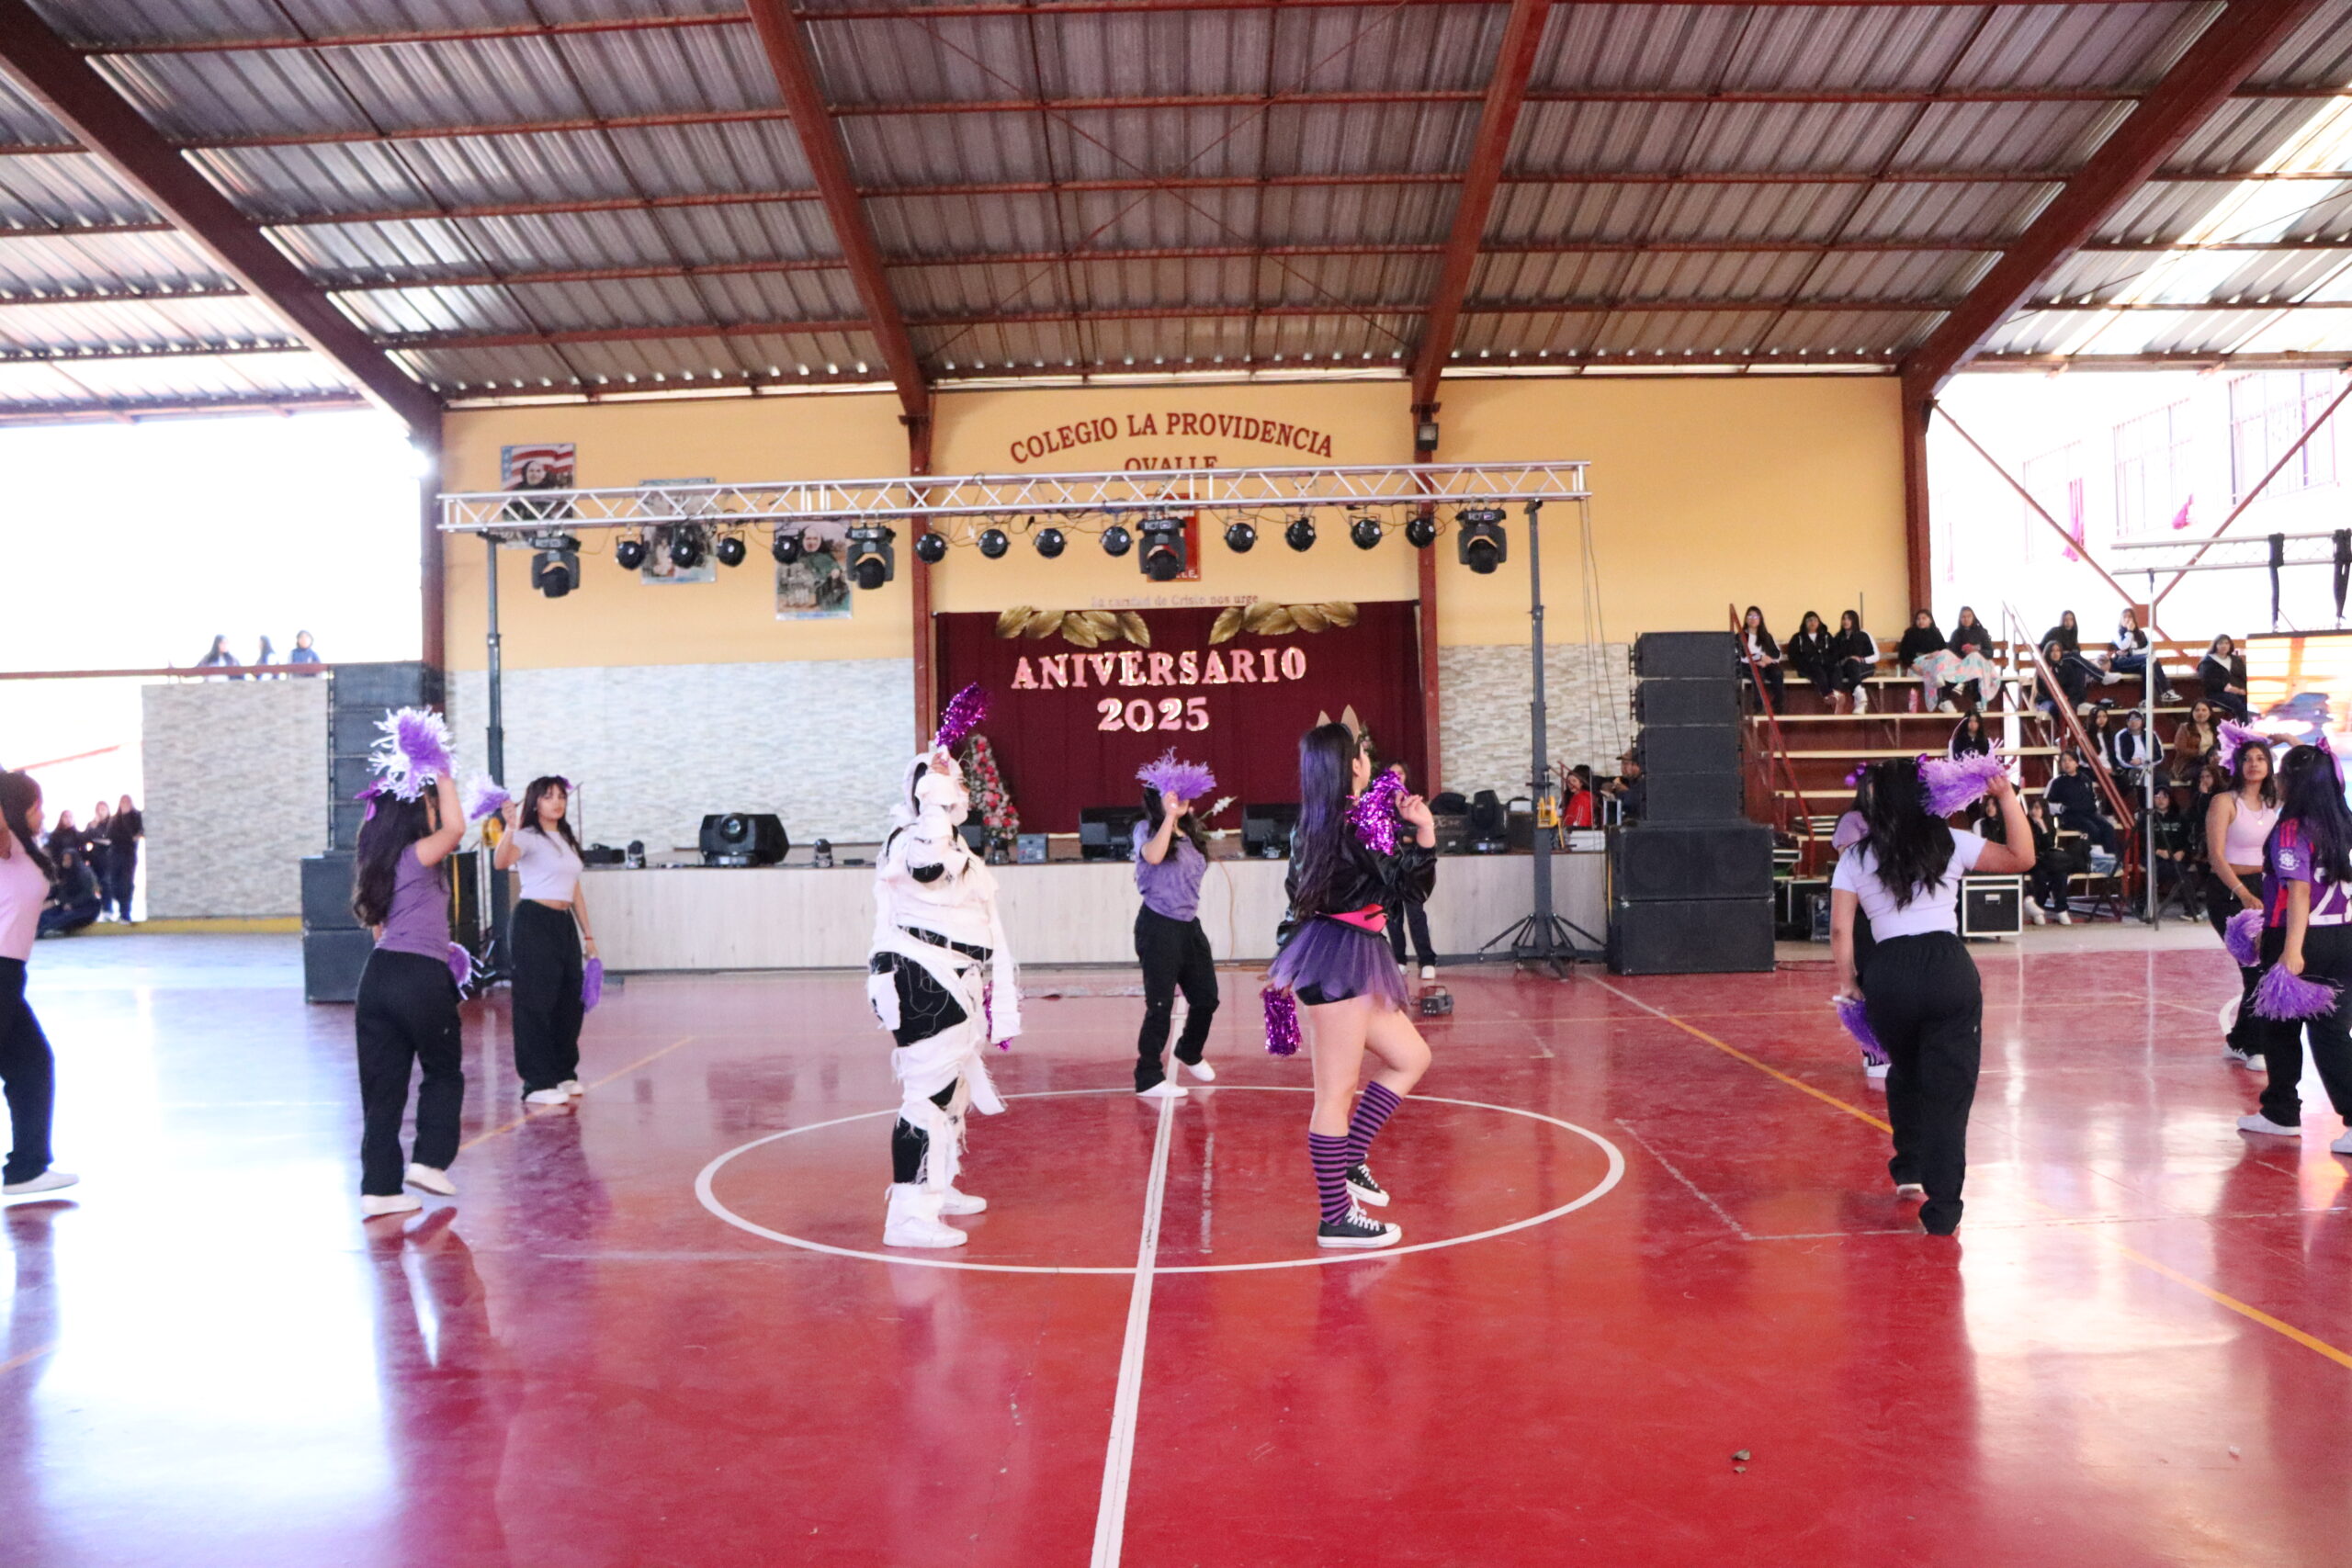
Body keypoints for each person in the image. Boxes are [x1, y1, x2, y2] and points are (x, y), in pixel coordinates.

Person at [1831, 759, 2033, 1235]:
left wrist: (1849, 982)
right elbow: (2022, 858)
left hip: (1888, 971)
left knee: (1904, 1067)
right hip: (1947, 967)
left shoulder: (1855, 856)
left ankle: (1909, 1168)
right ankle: (1943, 1209)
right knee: (1949, 1090)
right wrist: (2006, 798)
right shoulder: (1951, 841)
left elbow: (1841, 929)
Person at [1268, 726, 1438, 1249]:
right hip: (1340, 959)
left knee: (1411, 1057)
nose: (1368, 760)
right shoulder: (1357, 823)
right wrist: (1425, 831)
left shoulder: (1317, 822)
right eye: (1361, 753)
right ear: (1350, 766)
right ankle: (1336, 1218)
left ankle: (1350, 1158)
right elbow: (1410, 888)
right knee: (1334, 1094)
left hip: (1343, 953)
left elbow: (1301, 892)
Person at [867, 747, 1021, 1249]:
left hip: (951, 976)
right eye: (957, 782)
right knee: (927, 1095)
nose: (965, 791)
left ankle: (937, 1185)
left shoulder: (946, 838)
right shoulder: (915, 837)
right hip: (922, 976)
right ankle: (909, 1215)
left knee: (952, 1092)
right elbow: (927, 871)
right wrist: (933, 802)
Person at [351, 769, 468, 1219]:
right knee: (443, 1071)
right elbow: (456, 829)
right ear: (417, 811)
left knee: (382, 1089)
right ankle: (429, 1161)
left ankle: (379, 1188)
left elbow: (380, 931)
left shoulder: (378, 864)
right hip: (420, 976)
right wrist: (442, 773)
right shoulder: (418, 855)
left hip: (377, 978)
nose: (436, 812)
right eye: (431, 805)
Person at [2237, 743, 2352, 1151]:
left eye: (2282, 772)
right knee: (2331, 1031)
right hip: (2343, 934)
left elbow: (2299, 890)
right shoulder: (2344, 823)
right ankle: (2281, 1111)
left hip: (2301, 937)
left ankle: (2282, 1112)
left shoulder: (2292, 829)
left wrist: (2291, 950)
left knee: (2283, 1027)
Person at [494, 777, 596, 1107]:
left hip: (563, 924)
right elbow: (501, 862)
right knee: (535, 1002)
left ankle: (563, 1072)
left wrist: (588, 934)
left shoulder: (565, 838)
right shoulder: (527, 836)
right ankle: (537, 1082)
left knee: (570, 1000)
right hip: (533, 921)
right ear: (535, 802)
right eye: (549, 796)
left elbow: (574, 887)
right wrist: (510, 828)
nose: (557, 802)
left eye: (561, 796)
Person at [0, 772, 74, 1195]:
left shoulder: (24, 849)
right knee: (31, 1063)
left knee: (31, 1064)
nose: (42, 814)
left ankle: (27, 1169)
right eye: (36, 806)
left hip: (10, 972)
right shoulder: (4, 843)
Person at [1131, 774, 1219, 1100]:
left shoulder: (1190, 831)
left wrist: (1179, 817)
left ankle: (1189, 1050)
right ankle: (1148, 1076)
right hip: (1158, 925)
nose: (1178, 799)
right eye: (1170, 795)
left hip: (1188, 925)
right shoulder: (1146, 829)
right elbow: (1154, 856)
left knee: (1206, 998)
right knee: (1160, 1003)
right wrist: (1169, 817)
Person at [2205, 737, 2278, 1069]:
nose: (2254, 764)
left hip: (2267, 888)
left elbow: (2318, 769)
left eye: (2260, 758)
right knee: (2255, 968)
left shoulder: (2273, 801)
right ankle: (2255, 1046)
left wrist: (2287, 740)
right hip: (2230, 892)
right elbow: (2216, 857)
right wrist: (2243, 892)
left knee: (2267, 965)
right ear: (2237, 765)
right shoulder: (2224, 802)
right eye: (2247, 758)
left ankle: (2238, 1040)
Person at [2045, 749, 2119, 858]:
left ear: (2077, 763)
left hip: (2089, 814)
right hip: (2070, 816)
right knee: (2093, 829)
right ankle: (2096, 859)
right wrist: (2061, 808)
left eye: (2070, 760)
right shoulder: (2056, 782)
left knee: (2108, 827)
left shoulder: (2085, 779)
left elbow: (2092, 798)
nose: (2067, 763)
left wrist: (2094, 807)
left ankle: (2110, 858)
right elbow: (2046, 804)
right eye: (2064, 760)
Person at [2017, 796, 2075, 925]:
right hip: (2030, 860)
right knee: (2040, 875)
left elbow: (2049, 846)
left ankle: (2061, 909)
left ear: (2044, 810)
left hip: (2046, 860)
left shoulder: (2048, 824)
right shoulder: (2024, 825)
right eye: (2031, 808)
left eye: (2037, 808)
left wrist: (2042, 827)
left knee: (2061, 874)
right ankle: (2039, 908)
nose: (2033, 811)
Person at [2101, 607, 2172, 700]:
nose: (2127, 619)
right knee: (2149, 659)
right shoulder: (2117, 633)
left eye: (2130, 617)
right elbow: (2123, 646)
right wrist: (2129, 632)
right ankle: (2166, 691)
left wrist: (2132, 652)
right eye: (2124, 617)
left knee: (2147, 667)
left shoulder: (2141, 634)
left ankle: (2145, 700)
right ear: (2121, 620)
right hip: (2122, 663)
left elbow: (2148, 649)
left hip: (2138, 663)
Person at [1831, 610, 1879, 714]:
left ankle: (1860, 699)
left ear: (1854, 620)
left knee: (1852, 663)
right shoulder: (1838, 638)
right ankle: (1837, 698)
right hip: (1845, 667)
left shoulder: (1864, 635)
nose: (1846, 621)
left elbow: (1876, 656)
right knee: (1837, 669)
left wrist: (1862, 659)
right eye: (1844, 619)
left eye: (1849, 619)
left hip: (1863, 666)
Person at [1739, 606, 1785, 710]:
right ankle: (1758, 705)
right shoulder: (1741, 636)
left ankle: (1778, 704)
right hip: (1747, 665)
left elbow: (1776, 653)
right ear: (1746, 619)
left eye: (1756, 616)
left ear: (1760, 619)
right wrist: (1758, 658)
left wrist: (1767, 660)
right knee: (1758, 672)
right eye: (1750, 616)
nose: (1753, 619)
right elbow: (1742, 655)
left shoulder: (1767, 636)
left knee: (1777, 672)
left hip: (1766, 664)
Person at [104, 795, 141, 921]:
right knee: (114, 883)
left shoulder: (136, 817)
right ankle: (119, 907)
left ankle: (125, 913)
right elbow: (109, 835)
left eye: (127, 802)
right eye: (123, 802)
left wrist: (126, 816)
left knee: (126, 883)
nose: (125, 804)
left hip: (129, 855)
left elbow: (133, 834)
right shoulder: (114, 819)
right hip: (115, 854)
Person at [1787, 611, 1836, 702]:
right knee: (1818, 670)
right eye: (1809, 620)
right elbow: (1793, 656)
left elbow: (1834, 652)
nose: (1812, 622)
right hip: (1806, 668)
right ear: (1804, 623)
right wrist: (1805, 662)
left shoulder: (1826, 636)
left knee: (1835, 670)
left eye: (1815, 620)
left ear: (1819, 622)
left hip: (1825, 665)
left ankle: (1836, 693)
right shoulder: (1797, 638)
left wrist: (1826, 660)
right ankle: (1827, 694)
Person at [2199, 634, 2250, 721]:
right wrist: (2228, 688)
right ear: (2215, 645)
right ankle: (2244, 725)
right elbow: (2208, 680)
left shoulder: (2236, 660)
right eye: (2221, 643)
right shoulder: (2208, 661)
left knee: (2250, 701)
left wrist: (2243, 689)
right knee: (2236, 703)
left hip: (2239, 691)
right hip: (2217, 693)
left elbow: (2243, 676)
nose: (2224, 646)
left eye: (2227, 643)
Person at [2170, 700, 2219, 785]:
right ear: (2192, 713)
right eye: (2197, 710)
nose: (2200, 713)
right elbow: (2180, 748)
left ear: (2210, 713)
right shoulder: (2185, 728)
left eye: (2204, 710)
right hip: (2190, 764)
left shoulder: (2216, 728)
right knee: (2205, 771)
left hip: (2210, 761)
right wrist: (2200, 753)